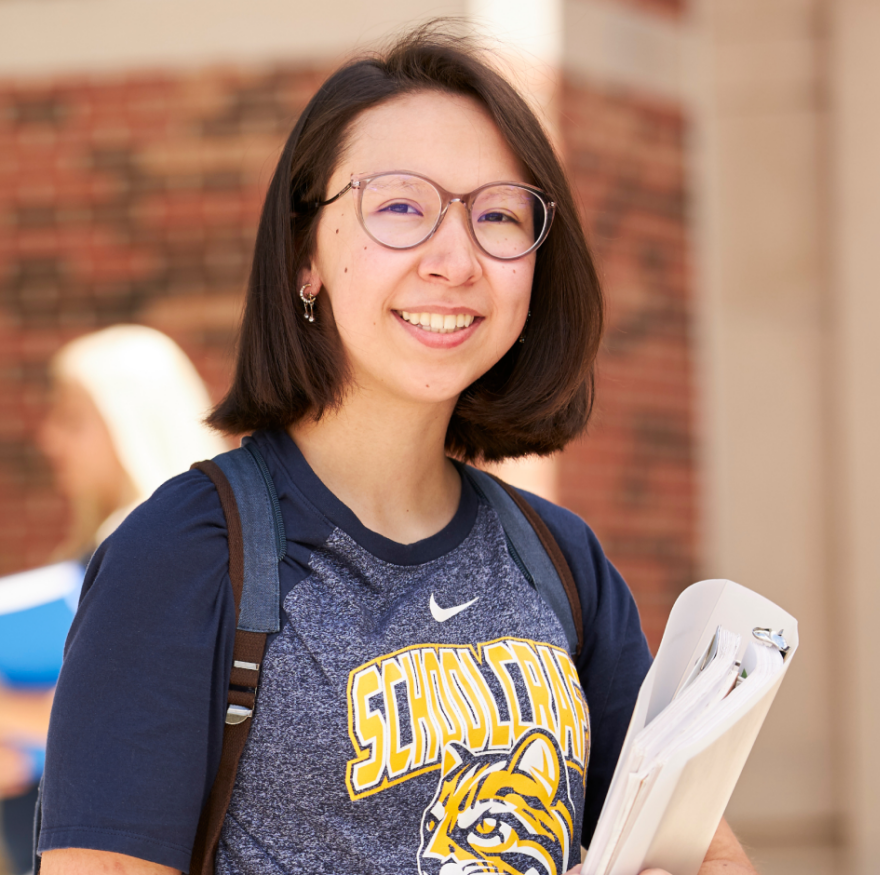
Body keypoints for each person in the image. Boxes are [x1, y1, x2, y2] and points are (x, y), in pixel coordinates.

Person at [36, 27, 757, 875]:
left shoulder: (561, 559)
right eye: (401, 207)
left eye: (498, 215)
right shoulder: (183, 553)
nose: (455, 259)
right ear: (307, 253)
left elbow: (698, 847)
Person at [0, 325, 226, 875]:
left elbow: (155, 720)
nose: (48, 440)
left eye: (72, 420)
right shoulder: (103, 548)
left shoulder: (161, 553)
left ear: (133, 424)